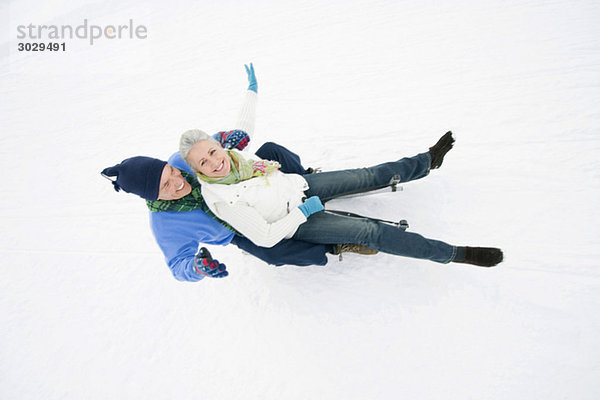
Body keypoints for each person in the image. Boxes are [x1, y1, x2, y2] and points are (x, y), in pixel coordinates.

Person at [178, 70, 503, 267]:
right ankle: (455, 254)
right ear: (196, 170)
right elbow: (264, 237)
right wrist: (303, 213)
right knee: (370, 231)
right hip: (295, 221)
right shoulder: (221, 198)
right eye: (202, 162)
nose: (213, 162)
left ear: (219, 145)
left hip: (298, 185)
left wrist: (251, 90)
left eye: (211, 151)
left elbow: (244, 123)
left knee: (366, 175)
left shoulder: (233, 155)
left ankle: (426, 162)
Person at [101, 65, 374, 283]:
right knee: (273, 252)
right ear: (153, 196)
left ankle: (305, 178)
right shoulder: (165, 225)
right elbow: (177, 265)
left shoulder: (181, 161)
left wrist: (227, 137)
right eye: (166, 185)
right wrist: (198, 267)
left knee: (271, 151)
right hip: (236, 228)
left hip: (245, 185)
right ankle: (335, 245)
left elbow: (207, 145)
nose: (177, 181)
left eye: (171, 172)